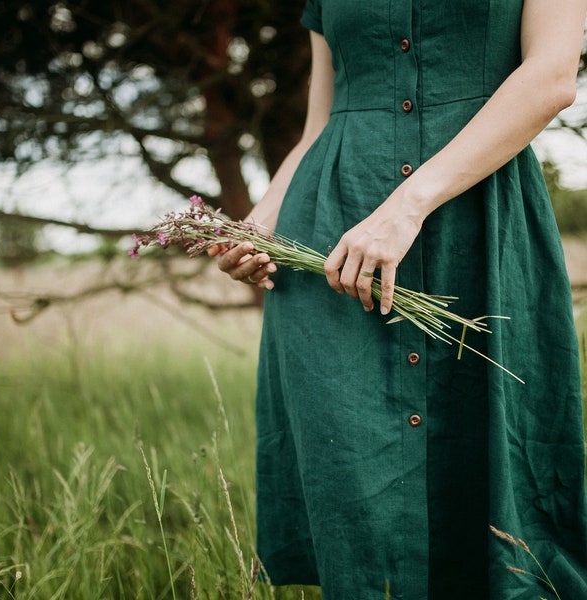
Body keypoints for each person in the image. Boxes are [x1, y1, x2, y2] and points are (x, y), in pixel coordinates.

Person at [209, 1, 587, 598]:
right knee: (352, 464)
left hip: (480, 221)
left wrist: (406, 206)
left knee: (497, 454)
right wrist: (263, 222)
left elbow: (551, 78)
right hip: (333, 229)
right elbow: (319, 126)